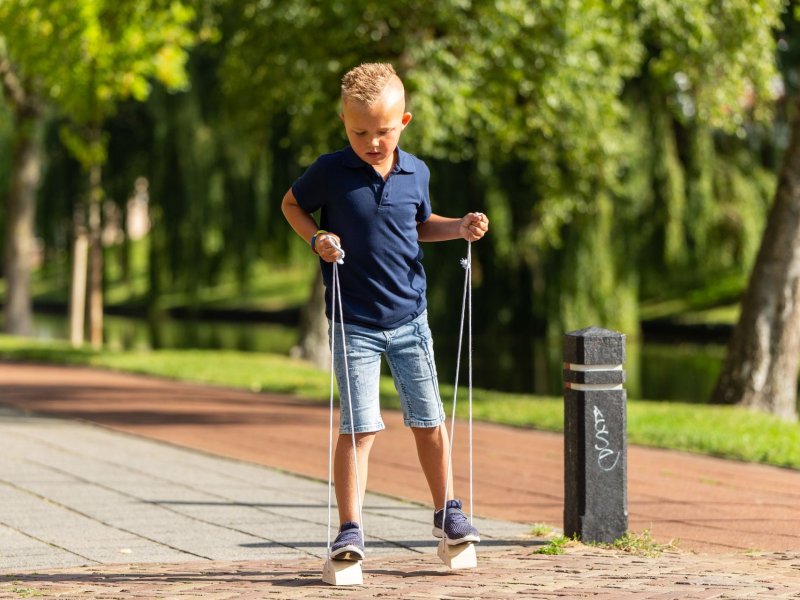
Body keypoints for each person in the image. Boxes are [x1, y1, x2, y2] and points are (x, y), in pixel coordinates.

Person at [281, 62, 489, 561]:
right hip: (354, 322)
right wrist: (318, 237)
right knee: (359, 426)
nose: (372, 141)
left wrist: (458, 226)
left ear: (405, 122)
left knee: (428, 419)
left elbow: (419, 226)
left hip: (410, 320)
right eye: (360, 132)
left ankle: (448, 511)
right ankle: (350, 528)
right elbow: (291, 204)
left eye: (384, 131)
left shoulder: (417, 171)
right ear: (344, 124)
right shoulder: (330, 171)